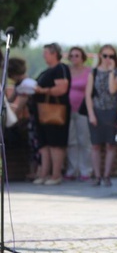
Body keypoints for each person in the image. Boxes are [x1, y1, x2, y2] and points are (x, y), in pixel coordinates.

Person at [31, 43, 72, 185]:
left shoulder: (61, 68)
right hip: (42, 113)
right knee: (44, 144)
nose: (44, 55)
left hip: (55, 112)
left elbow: (62, 89)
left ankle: (56, 175)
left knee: (56, 144)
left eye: (46, 53)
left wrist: (43, 91)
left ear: (54, 53)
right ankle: (44, 174)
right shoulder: (46, 71)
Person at [86, 45, 117, 187]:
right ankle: (97, 176)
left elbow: (112, 90)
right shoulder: (93, 72)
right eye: (105, 55)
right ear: (100, 55)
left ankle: (107, 176)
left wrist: (110, 72)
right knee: (95, 145)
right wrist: (91, 114)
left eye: (111, 56)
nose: (108, 59)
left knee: (110, 145)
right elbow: (88, 95)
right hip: (96, 110)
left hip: (110, 111)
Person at [64, 46, 92, 181]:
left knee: (84, 141)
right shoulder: (66, 71)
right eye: (72, 55)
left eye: (77, 55)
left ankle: (85, 170)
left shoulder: (88, 72)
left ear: (82, 57)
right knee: (71, 141)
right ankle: (72, 169)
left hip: (83, 110)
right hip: (68, 110)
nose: (74, 58)